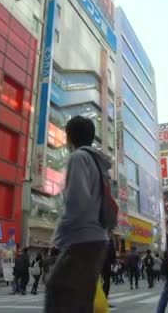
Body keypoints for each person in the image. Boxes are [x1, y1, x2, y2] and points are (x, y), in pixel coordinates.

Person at [44, 116, 110, 313]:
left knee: (56, 289)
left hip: (82, 239)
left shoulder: (79, 157)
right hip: (98, 239)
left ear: (69, 137)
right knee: (81, 299)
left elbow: (76, 202)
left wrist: (58, 237)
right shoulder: (99, 163)